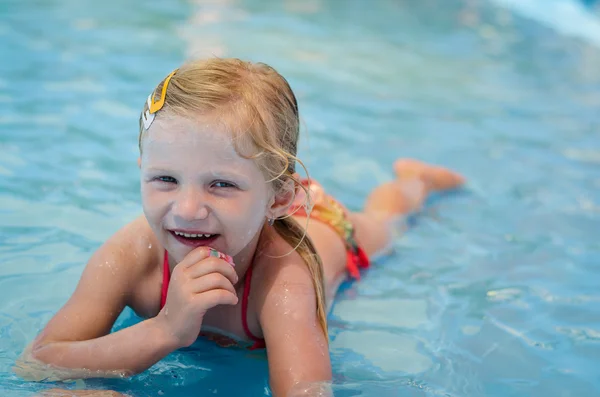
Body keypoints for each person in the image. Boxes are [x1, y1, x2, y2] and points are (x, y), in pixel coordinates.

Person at [16, 58, 464, 397]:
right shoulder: (131, 255)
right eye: (165, 179)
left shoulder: (283, 280)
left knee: (389, 220)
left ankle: (414, 180)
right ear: (141, 171)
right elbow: (35, 365)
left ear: (279, 198)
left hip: (329, 229)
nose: (188, 209)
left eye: (222, 184)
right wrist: (165, 330)